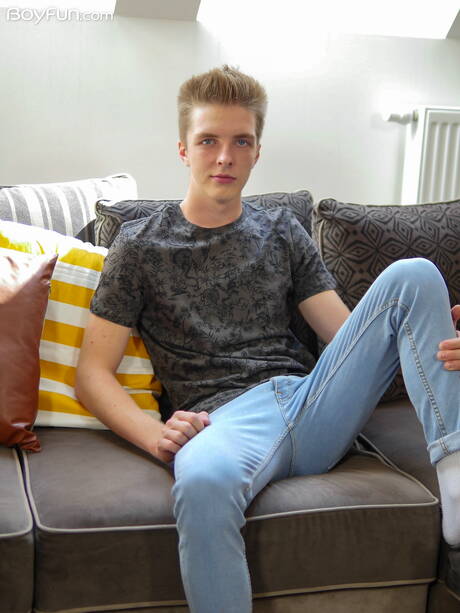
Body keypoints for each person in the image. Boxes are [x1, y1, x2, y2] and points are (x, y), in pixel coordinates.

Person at [76, 65, 460, 613]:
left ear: (257, 151)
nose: (225, 157)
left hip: (312, 401)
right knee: (201, 485)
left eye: (241, 142)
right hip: (223, 422)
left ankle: (455, 476)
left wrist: (432, 333)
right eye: (208, 141)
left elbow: (347, 335)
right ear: (184, 149)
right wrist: (155, 434)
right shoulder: (138, 247)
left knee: (415, 275)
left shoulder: (282, 230)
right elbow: (92, 374)